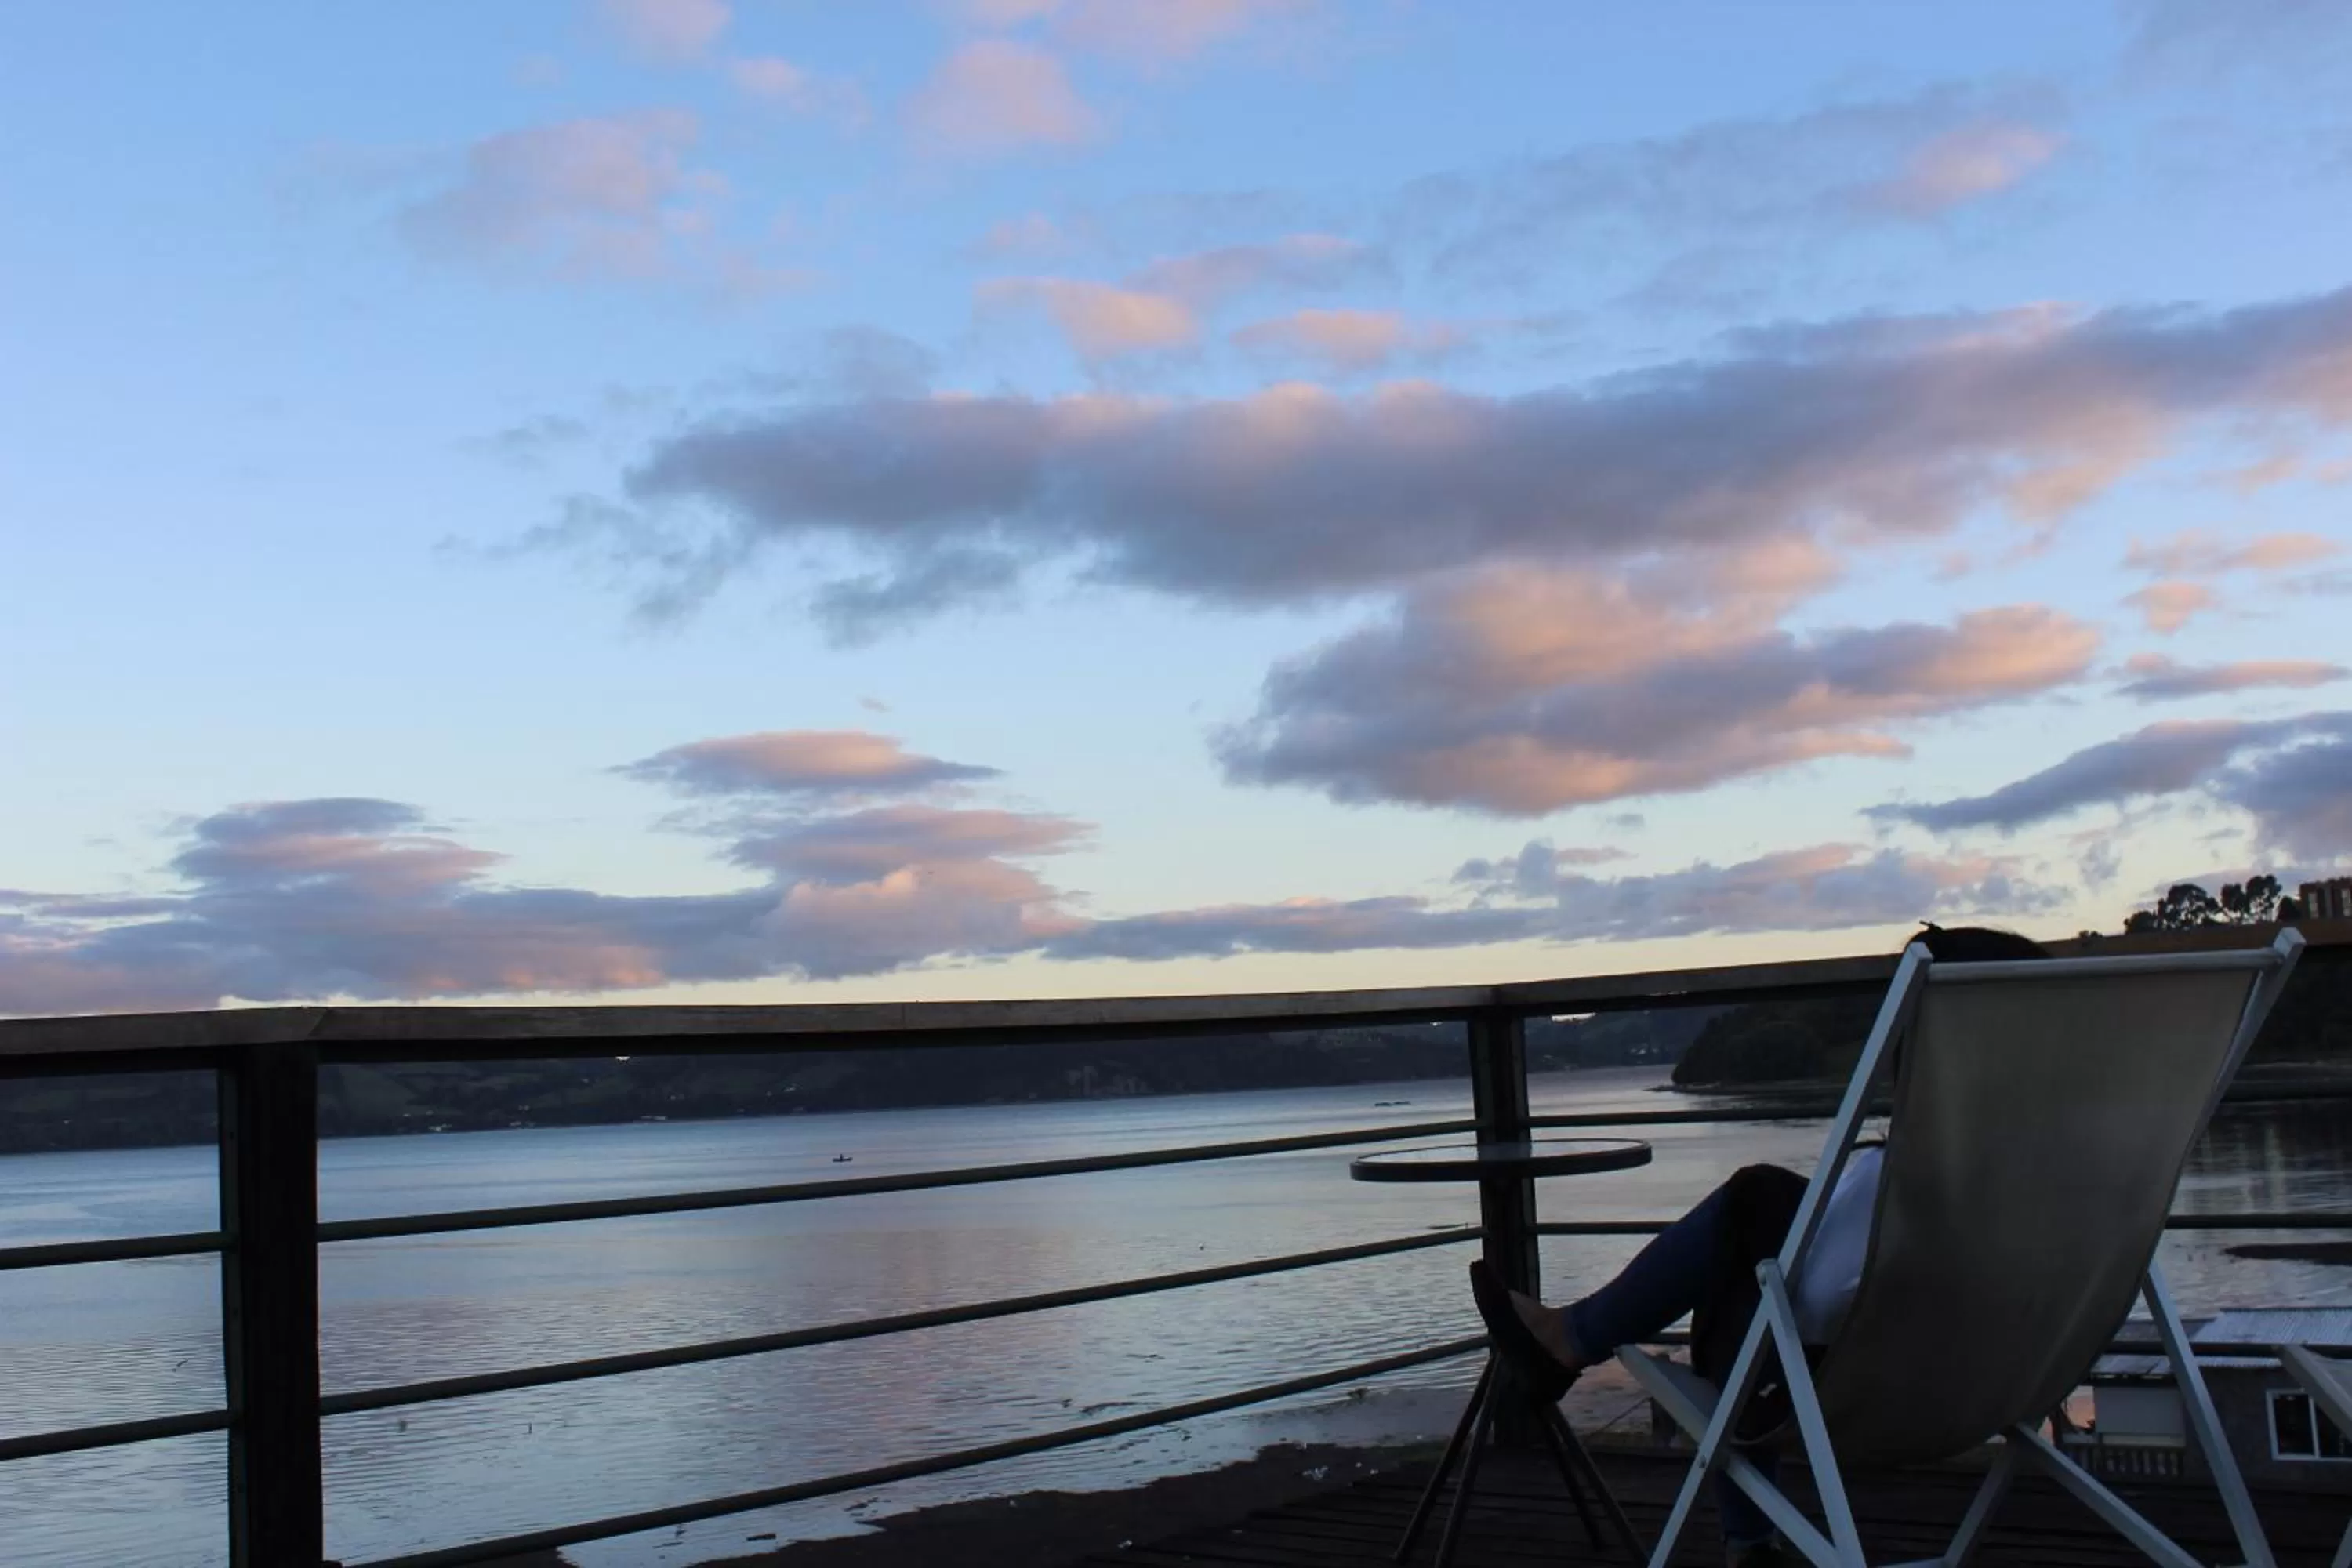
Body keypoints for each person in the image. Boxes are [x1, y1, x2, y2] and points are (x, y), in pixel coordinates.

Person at [1479, 924, 2049, 1568]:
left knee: (1753, 1218)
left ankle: (1575, 1344)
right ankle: (1579, 1345)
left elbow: (1827, 1295)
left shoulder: (1905, 1187)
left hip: (1878, 1389)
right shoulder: (2060, 1178)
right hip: (2008, 1379)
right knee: (1761, 1222)